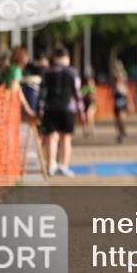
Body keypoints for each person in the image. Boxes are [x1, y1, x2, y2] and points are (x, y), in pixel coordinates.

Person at [38, 47, 86, 177]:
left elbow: (42, 93)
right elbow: (77, 92)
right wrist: (82, 111)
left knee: (51, 137)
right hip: (67, 109)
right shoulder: (72, 72)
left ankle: (51, 165)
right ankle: (64, 166)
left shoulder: (47, 72)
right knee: (66, 138)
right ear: (67, 58)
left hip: (50, 108)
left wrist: (39, 108)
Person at [3, 46, 36, 123]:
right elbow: (14, 89)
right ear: (21, 57)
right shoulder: (16, 71)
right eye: (26, 55)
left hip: (2, 100)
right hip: (8, 103)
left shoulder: (11, 68)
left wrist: (27, 108)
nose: (28, 58)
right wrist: (27, 108)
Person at [111, 60, 131, 144]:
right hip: (116, 101)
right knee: (116, 120)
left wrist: (129, 102)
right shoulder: (113, 79)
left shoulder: (124, 78)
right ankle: (119, 134)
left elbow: (127, 91)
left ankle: (123, 130)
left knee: (122, 118)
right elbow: (112, 90)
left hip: (123, 100)